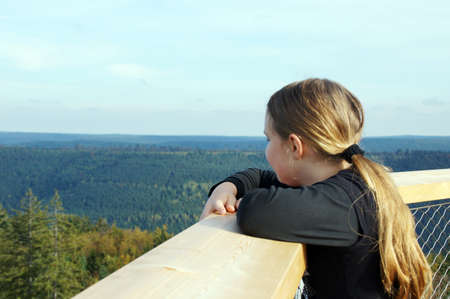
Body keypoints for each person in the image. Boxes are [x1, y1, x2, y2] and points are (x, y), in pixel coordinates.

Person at [200, 79, 432, 299]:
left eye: (268, 139)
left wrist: (243, 202)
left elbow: (255, 213)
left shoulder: (343, 204)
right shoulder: (350, 186)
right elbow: (259, 176)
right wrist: (228, 187)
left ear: (294, 146)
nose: (267, 148)